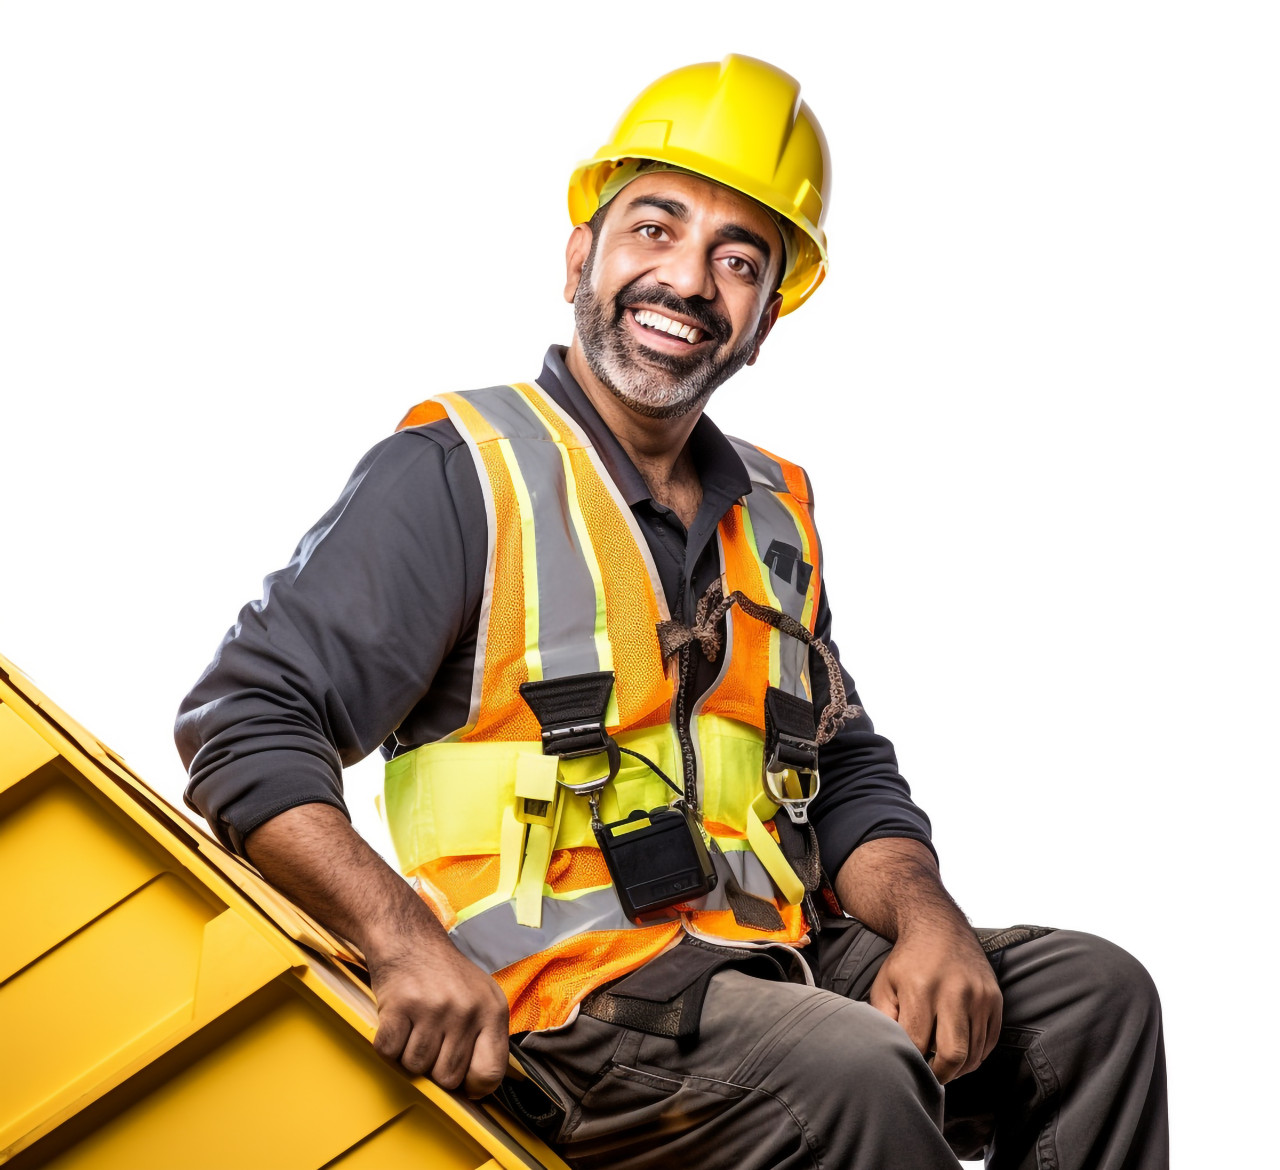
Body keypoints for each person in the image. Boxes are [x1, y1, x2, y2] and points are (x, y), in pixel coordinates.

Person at [177, 54, 1168, 1169]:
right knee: (852, 1069)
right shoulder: (462, 473)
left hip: (766, 964)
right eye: (654, 228)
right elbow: (244, 723)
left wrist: (929, 921)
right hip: (562, 1006)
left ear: (765, 318)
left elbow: (841, 768)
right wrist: (402, 944)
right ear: (579, 256)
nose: (689, 280)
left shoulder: (773, 514)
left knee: (1092, 1000)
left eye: (737, 259)